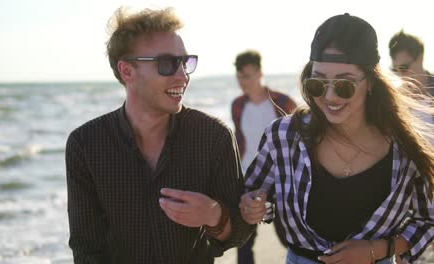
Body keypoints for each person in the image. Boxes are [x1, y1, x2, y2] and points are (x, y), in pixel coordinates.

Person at [239, 13, 434, 264]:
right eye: (317, 84)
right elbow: (258, 198)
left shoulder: (405, 148)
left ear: (371, 82)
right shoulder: (283, 136)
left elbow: (427, 221)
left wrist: (376, 250)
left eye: (344, 85)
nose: (330, 97)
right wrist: (253, 206)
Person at [65, 7, 253, 264]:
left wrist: (214, 215)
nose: (183, 76)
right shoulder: (85, 145)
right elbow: (86, 250)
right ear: (127, 71)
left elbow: (240, 231)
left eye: (185, 62)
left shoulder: (214, 136)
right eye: (167, 64)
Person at [231, 50, 296, 264]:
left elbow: (298, 141)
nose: (243, 82)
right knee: (243, 241)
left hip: (281, 182)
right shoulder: (238, 105)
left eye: (247, 76)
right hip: (249, 179)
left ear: (260, 73)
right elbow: (241, 142)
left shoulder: (282, 102)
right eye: (240, 77)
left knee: (289, 238)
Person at [389, 30, 434, 96]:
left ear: (420, 58)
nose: (401, 76)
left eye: (403, 68)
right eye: (394, 70)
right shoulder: (398, 98)